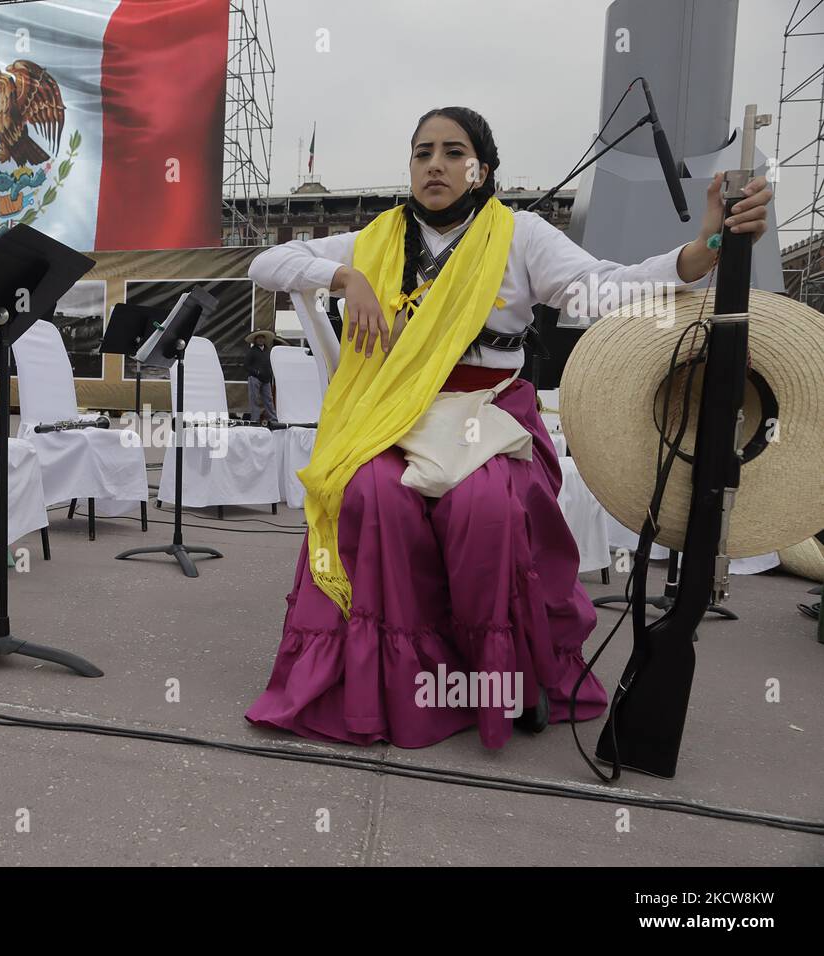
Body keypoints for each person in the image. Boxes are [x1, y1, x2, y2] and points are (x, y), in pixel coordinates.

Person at [245, 106, 772, 749]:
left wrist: (705, 246)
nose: (435, 164)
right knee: (371, 497)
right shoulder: (376, 241)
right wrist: (345, 276)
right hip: (394, 414)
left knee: (485, 510)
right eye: (422, 153)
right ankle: (395, 684)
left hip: (489, 412)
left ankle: (502, 683)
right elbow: (267, 264)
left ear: (482, 168)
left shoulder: (519, 235)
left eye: (453, 152)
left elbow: (604, 288)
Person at [244, 329, 277, 422]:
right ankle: (255, 419)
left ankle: (273, 419)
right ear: (255, 340)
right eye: (258, 338)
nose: (261, 340)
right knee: (254, 400)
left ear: (264, 339)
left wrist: (270, 373)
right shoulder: (252, 351)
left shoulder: (268, 351)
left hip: (266, 379)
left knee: (268, 400)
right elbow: (246, 365)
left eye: (262, 338)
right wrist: (256, 372)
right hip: (254, 378)